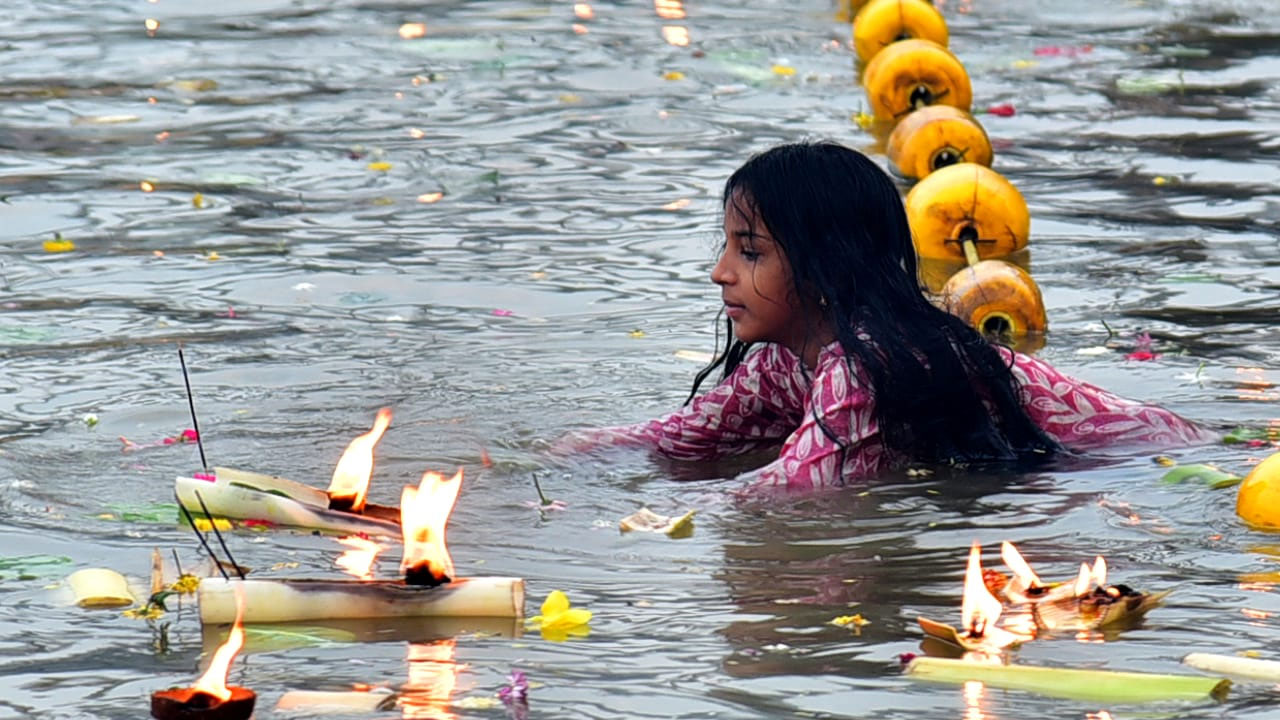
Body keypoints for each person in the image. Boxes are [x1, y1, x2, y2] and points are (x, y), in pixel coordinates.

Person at [559, 141, 1215, 490]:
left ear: (823, 266)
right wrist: (554, 459)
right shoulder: (784, 365)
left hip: (1145, 465)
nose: (720, 272)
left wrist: (644, 534)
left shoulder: (864, 361)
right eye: (727, 247)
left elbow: (792, 493)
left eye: (750, 250)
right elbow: (679, 438)